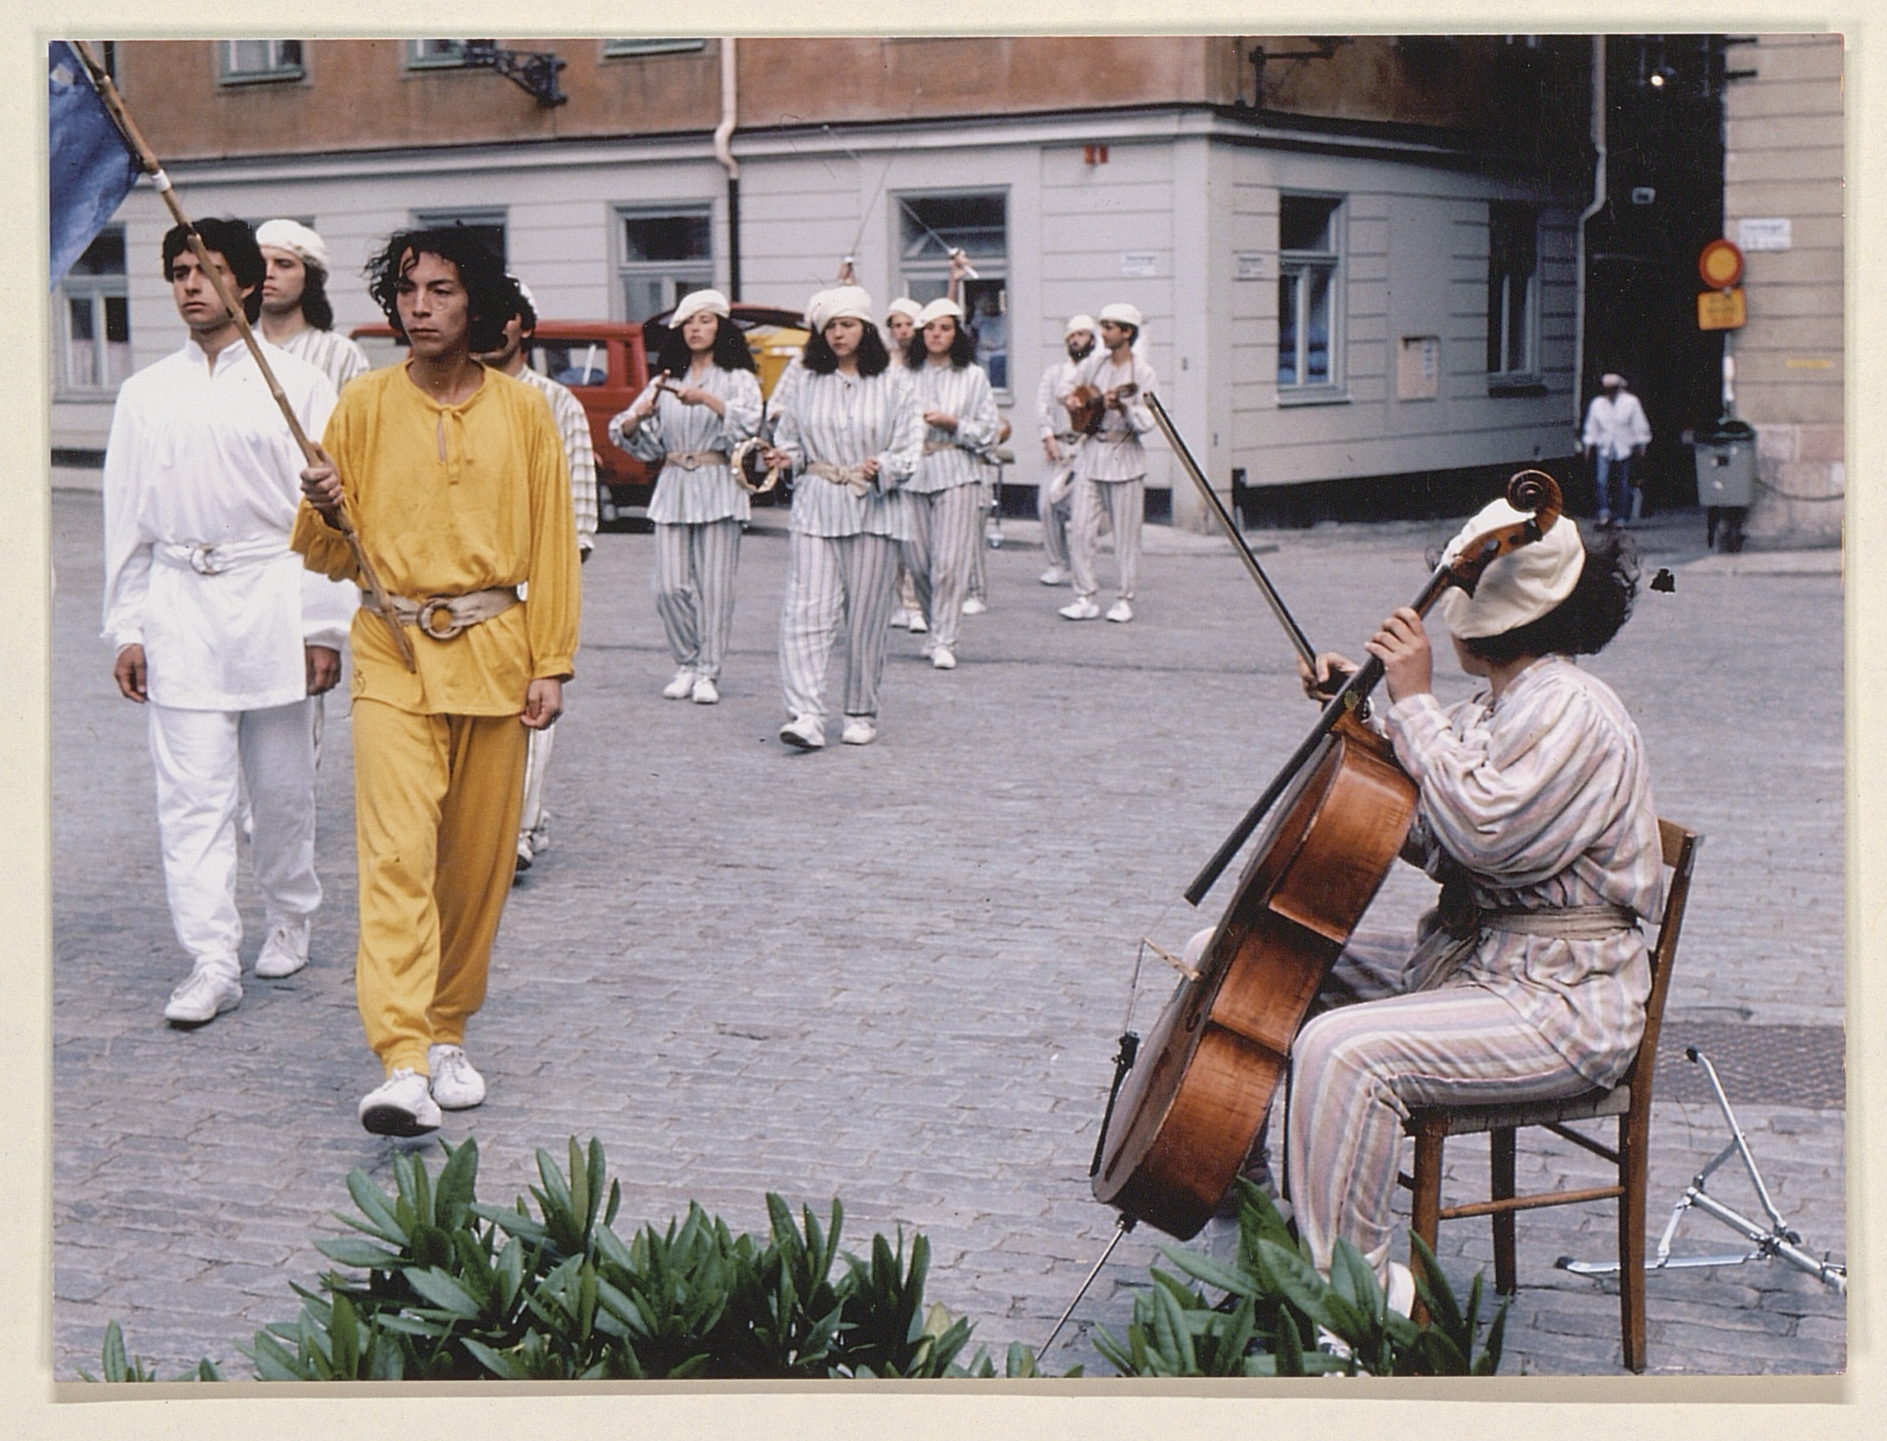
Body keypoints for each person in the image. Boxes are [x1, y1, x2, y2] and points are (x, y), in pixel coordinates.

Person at [1275, 501, 1658, 1310]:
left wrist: (1410, 704)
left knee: (1345, 1051)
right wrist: (1360, 724)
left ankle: (1352, 1310)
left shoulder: (1574, 708)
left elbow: (1479, 832)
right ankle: (1265, 1231)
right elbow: (1427, 830)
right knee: (1254, 963)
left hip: (1560, 1002)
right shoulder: (1493, 708)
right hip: (1473, 970)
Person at [293, 226, 580, 1136]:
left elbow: (552, 547)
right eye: (409, 290)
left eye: (442, 291)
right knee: (395, 855)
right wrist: (326, 508)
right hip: (392, 650)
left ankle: (449, 1029)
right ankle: (403, 1058)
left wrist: (552, 660)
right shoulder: (364, 406)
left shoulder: (527, 411)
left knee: (475, 866)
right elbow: (331, 556)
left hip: (495, 652)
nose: (421, 306)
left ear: (477, 303)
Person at [102, 216, 349, 1026]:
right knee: (191, 794)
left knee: (281, 789)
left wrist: (321, 627)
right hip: (180, 603)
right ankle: (210, 956)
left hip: (271, 595)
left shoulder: (297, 385)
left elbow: (324, 517)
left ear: (245, 282)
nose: (191, 286)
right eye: (178, 272)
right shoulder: (145, 394)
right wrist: (128, 625)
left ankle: (289, 910)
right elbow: (126, 517)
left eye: (207, 271)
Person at [473, 277, 598, 877]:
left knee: (529, 702)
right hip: (463, 582)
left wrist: (552, 590)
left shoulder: (555, 402)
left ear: (523, 326)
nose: (493, 329)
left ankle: (518, 829)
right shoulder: (453, 396)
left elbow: (575, 513)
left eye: (506, 317)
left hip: (530, 577)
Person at [762, 285, 920, 749]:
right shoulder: (806, 381)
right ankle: (806, 712)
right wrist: (784, 457)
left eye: (847, 325)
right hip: (816, 504)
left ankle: (860, 710)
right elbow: (789, 436)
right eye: (830, 326)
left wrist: (884, 467)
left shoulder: (895, 382)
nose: (838, 334)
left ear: (865, 329)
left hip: (874, 509)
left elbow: (909, 448)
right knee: (805, 611)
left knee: (866, 617)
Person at [610, 288, 762, 705]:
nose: (696, 329)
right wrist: (633, 423)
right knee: (668, 586)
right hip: (674, 484)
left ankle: (709, 671)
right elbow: (629, 430)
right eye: (689, 323)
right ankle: (687, 662)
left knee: (715, 587)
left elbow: (750, 426)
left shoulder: (738, 379)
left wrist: (710, 401)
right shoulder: (665, 380)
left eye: (705, 321)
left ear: (721, 327)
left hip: (717, 482)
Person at [899, 297, 1000, 671]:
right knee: (918, 561)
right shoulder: (903, 376)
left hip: (957, 469)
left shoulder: (972, 376)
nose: (936, 335)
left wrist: (953, 424)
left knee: (948, 562)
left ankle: (945, 638)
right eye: (930, 329)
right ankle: (933, 626)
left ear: (956, 333)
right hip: (913, 473)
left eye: (944, 328)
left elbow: (989, 432)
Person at [1059, 302, 1157, 623]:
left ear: (1127, 333)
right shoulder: (1095, 364)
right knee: (1080, 530)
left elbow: (1147, 421)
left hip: (1124, 455)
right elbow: (1068, 389)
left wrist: (1126, 407)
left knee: (1126, 535)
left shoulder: (1142, 372)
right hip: (1092, 453)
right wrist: (1074, 402)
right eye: (1102, 327)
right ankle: (1084, 596)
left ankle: (1124, 598)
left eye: (1109, 328)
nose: (1102, 333)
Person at [256, 218, 372, 392]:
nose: (268, 273)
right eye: (261, 264)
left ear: (309, 278)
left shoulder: (341, 354)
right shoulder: (232, 347)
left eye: (283, 264)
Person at [1034, 314, 1096, 586]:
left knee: (1084, 512)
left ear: (1092, 339)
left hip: (1087, 447)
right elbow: (1042, 406)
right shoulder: (1054, 373)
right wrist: (1047, 437)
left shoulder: (1097, 372)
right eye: (1071, 336)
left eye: (1080, 335)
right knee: (1047, 505)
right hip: (1059, 445)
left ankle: (1084, 567)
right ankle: (1058, 564)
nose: (1075, 340)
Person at [880, 295, 927, 634]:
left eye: (908, 324)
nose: (902, 331)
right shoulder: (883, 362)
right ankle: (903, 601)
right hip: (891, 449)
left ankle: (919, 604)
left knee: (918, 539)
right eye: (896, 325)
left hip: (922, 452)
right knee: (895, 533)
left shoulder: (924, 363)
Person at [1581, 372, 1652, 528]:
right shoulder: (1597, 403)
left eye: (1612, 388)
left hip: (1624, 445)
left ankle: (1621, 516)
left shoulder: (1631, 402)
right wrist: (1587, 444)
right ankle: (1604, 513)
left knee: (1624, 482)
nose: (1610, 391)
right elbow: (1592, 425)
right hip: (1604, 446)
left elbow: (1639, 423)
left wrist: (1642, 443)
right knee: (1601, 480)